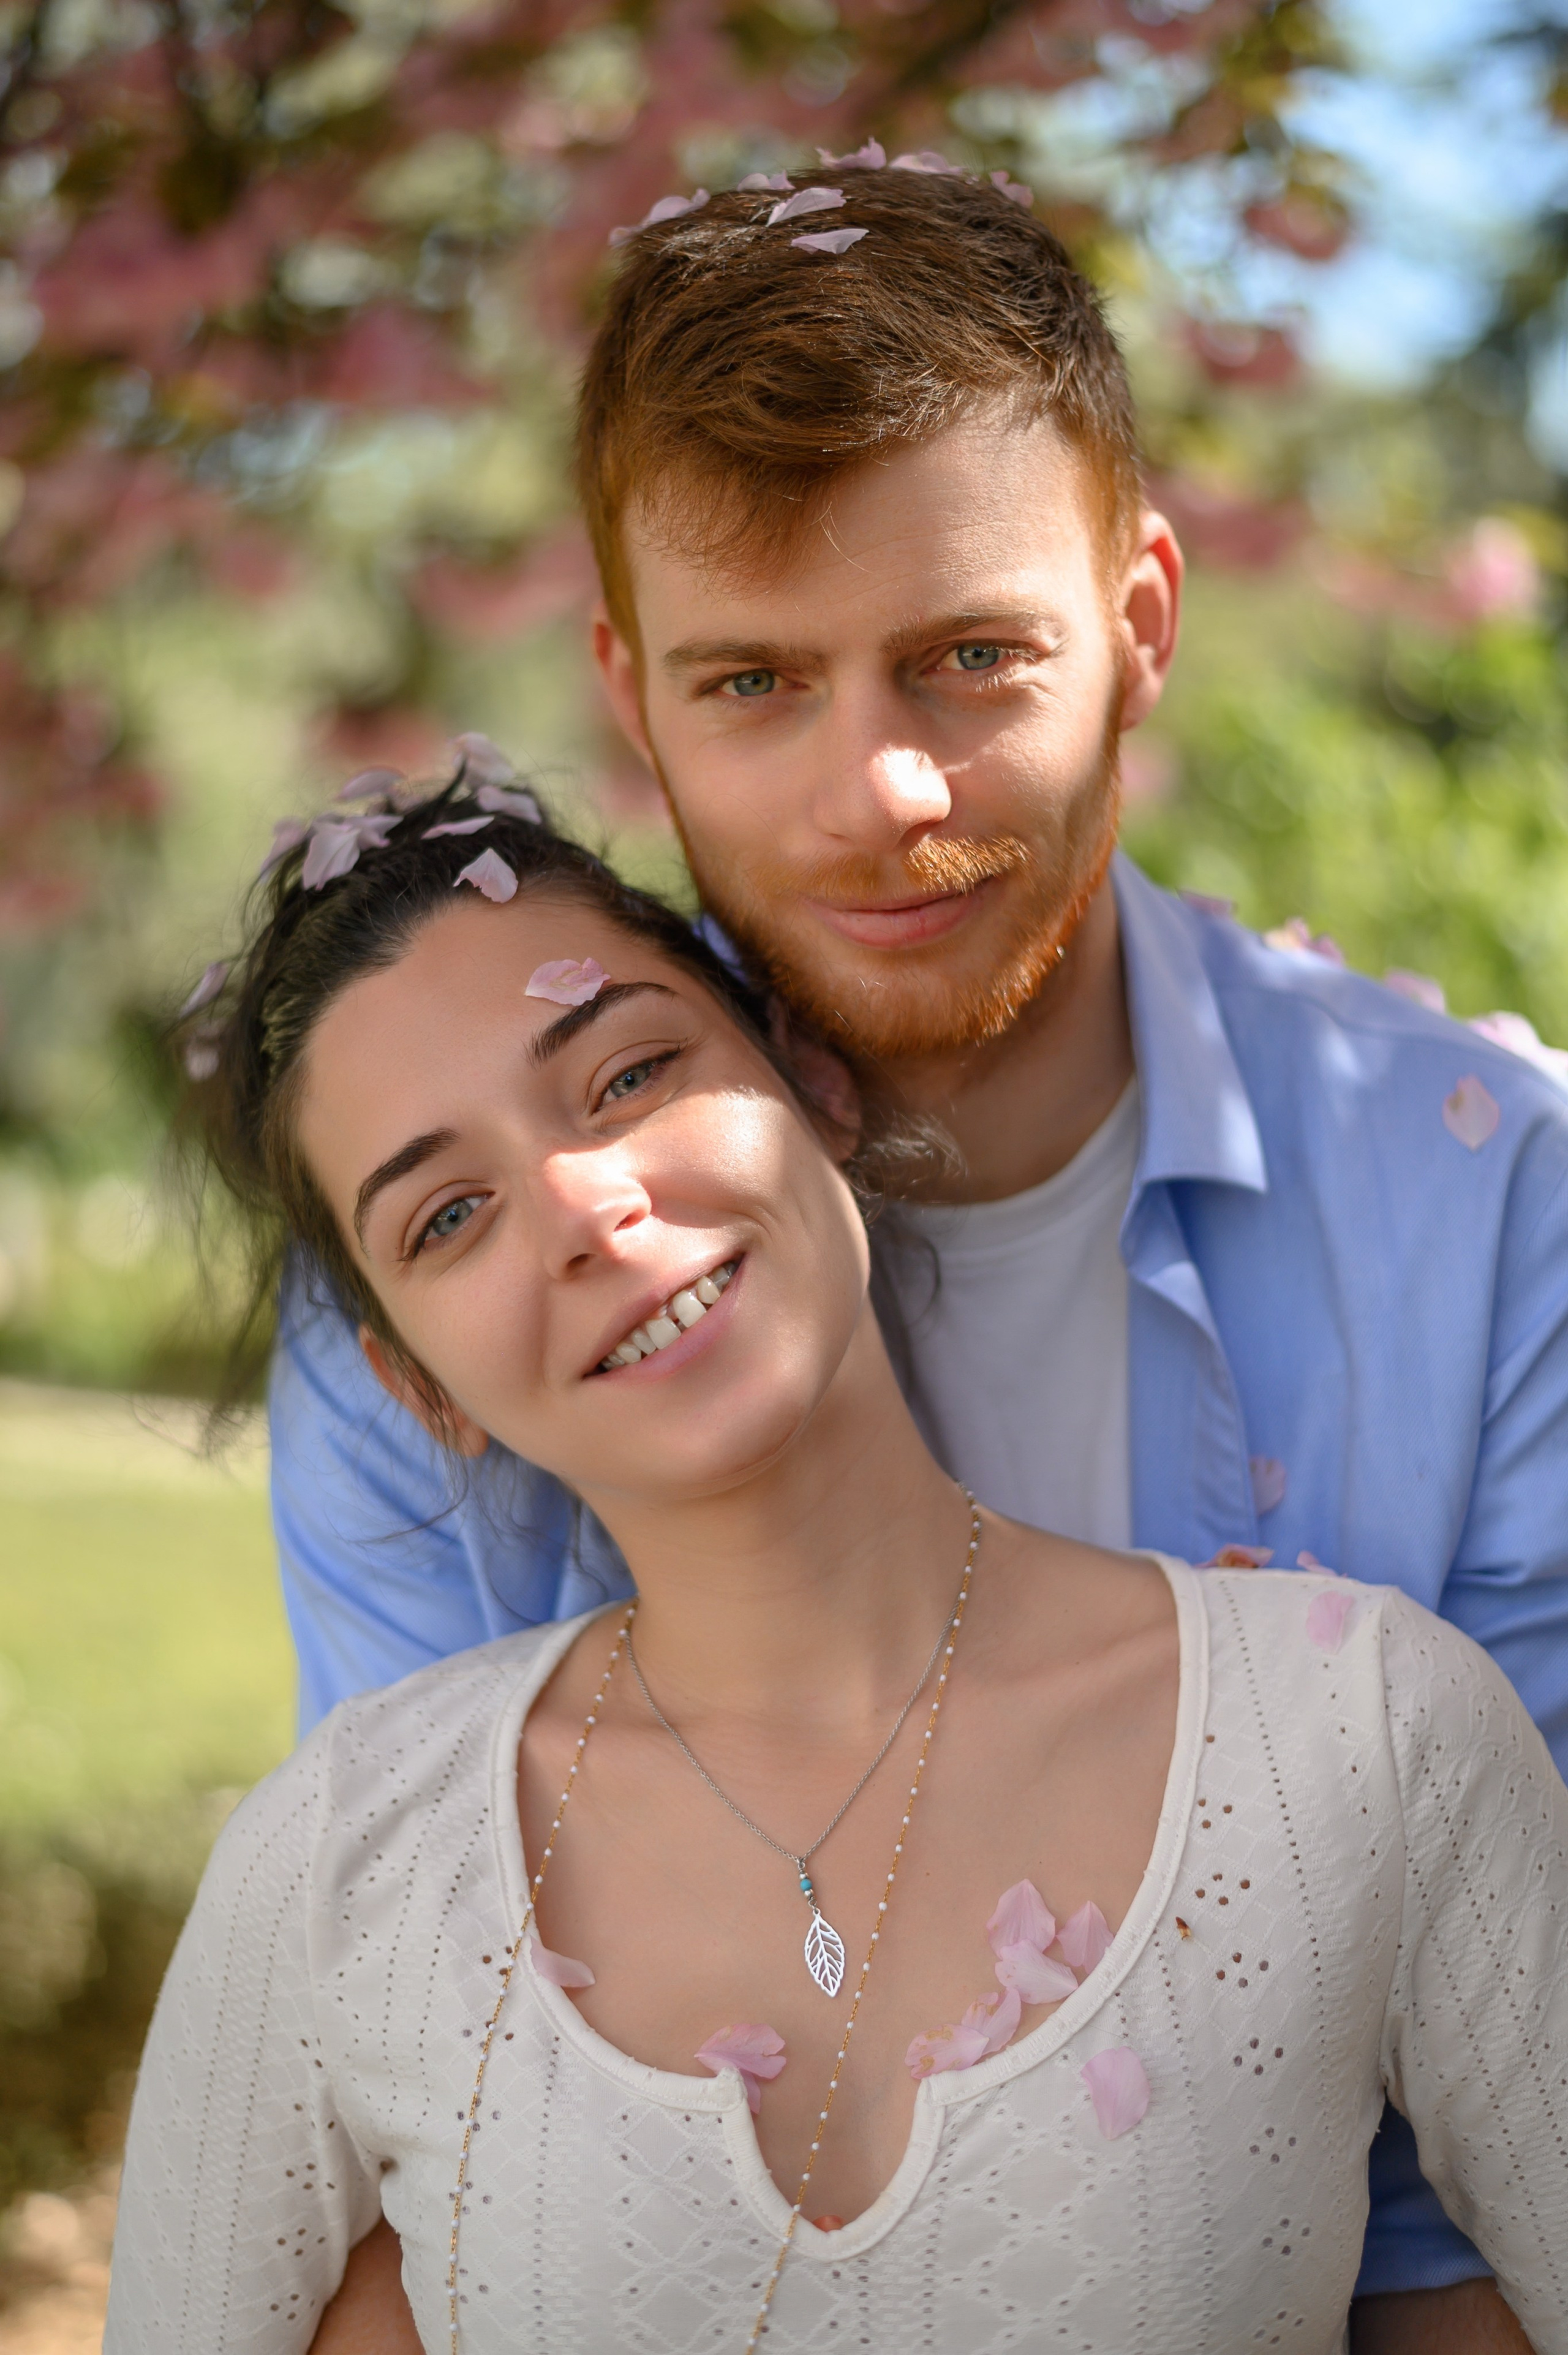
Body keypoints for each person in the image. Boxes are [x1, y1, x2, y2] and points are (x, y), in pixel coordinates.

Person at [264, 165, 1568, 2342]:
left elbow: (1477, 2218)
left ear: (1143, 617)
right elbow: (425, 2161)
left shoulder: (1502, 1211)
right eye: (755, 681)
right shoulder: (442, 1306)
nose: (878, 790)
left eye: (968, 658)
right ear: (631, 695)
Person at [108, 790, 1568, 2355]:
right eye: (450, 1213)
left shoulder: (1359, 1732)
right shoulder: (338, 1867)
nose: (587, 1207)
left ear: (811, 1089)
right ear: (422, 1388)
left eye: (628, 1073)